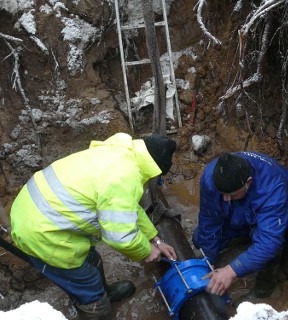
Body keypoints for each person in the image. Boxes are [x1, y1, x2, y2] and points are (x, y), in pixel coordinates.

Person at [10, 132, 178, 320]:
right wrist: (146, 251)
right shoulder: (124, 177)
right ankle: (96, 306)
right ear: (156, 169)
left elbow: (128, 207)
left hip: (33, 209)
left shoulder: (121, 154)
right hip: (42, 232)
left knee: (92, 259)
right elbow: (118, 235)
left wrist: (154, 238)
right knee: (87, 285)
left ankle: (104, 292)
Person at [193, 151, 288, 302]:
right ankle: (246, 243)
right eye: (222, 194)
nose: (225, 199)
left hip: (281, 212)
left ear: (248, 182)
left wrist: (231, 271)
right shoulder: (211, 177)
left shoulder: (272, 188)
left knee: (270, 248)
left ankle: (263, 289)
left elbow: (269, 243)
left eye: (231, 195)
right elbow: (209, 219)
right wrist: (208, 260)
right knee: (199, 238)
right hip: (243, 208)